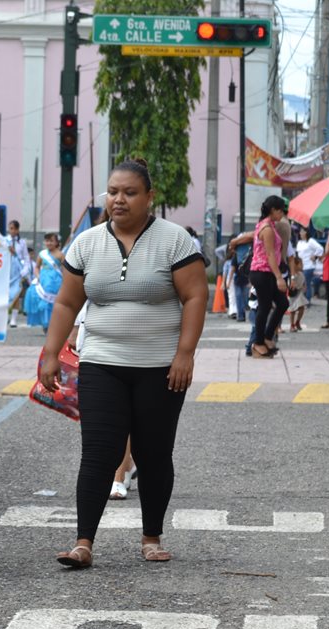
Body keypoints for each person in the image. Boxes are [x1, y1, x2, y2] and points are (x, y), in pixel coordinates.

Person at [38, 160, 207, 569]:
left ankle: (151, 537)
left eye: (130, 192)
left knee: (154, 453)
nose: (119, 199)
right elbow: (67, 302)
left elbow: (196, 297)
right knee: (98, 452)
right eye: (113, 191)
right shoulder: (87, 243)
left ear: (149, 197)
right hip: (101, 363)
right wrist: (50, 353)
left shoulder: (175, 241)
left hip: (161, 368)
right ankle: (83, 542)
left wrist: (185, 353)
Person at [248, 196, 289, 357]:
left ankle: (265, 337)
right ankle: (258, 343)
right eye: (280, 211)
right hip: (262, 271)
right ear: (273, 210)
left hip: (267, 271)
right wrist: (279, 278)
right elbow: (271, 255)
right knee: (264, 307)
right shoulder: (267, 228)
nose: (282, 214)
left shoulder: (269, 225)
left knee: (282, 303)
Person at [24, 232, 64, 330]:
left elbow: (64, 269)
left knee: (53, 303)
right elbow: (37, 267)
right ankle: (45, 323)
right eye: (47, 241)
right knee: (41, 300)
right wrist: (38, 276)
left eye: (51, 241)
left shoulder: (60, 255)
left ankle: (53, 324)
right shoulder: (42, 254)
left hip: (56, 281)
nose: (49, 243)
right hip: (44, 279)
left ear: (56, 242)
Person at [6, 220, 33, 327]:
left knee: (16, 294)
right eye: (10, 228)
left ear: (17, 230)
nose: (11, 230)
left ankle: (13, 319)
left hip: (17, 271)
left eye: (13, 228)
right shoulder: (5, 240)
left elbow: (26, 257)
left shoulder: (21, 242)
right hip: (7, 270)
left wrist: (25, 270)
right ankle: (5, 317)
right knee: (6, 295)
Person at [296, 227, 323, 303]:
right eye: (300, 232)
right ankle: (303, 300)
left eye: (302, 231)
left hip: (308, 265)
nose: (300, 233)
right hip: (301, 266)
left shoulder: (310, 241)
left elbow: (320, 248)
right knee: (302, 283)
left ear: (306, 232)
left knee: (307, 283)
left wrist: (315, 256)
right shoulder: (300, 242)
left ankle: (307, 301)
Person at [287, 267, 307, 332]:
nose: (301, 265)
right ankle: (292, 324)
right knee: (293, 310)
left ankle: (297, 321)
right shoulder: (291, 275)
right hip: (293, 293)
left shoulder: (301, 274)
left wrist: (304, 287)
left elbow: (304, 283)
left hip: (300, 293)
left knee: (302, 307)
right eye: (299, 264)